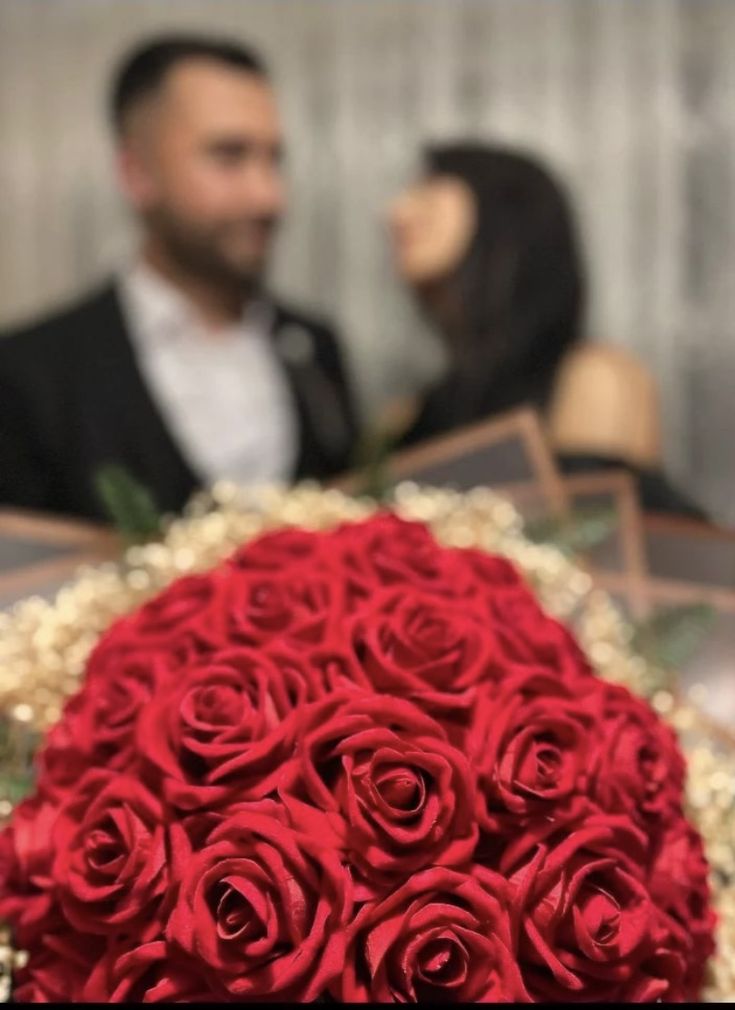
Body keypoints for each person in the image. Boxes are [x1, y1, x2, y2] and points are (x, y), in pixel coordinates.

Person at [0, 35, 357, 523]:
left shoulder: (314, 350)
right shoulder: (30, 374)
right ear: (137, 174)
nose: (268, 196)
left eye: (274, 159)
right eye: (229, 157)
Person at [387, 142, 706, 519]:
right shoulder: (410, 413)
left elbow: (596, 557)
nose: (396, 212)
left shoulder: (593, 381)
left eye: (429, 188)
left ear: (504, 210)